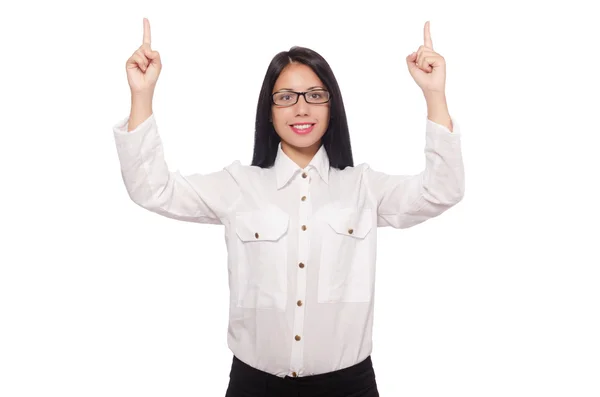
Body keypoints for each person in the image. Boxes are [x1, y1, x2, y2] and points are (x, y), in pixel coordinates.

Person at [112, 17, 464, 397]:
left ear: (332, 108)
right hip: (254, 385)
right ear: (269, 109)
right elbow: (153, 189)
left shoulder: (363, 187)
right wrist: (142, 96)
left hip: (348, 385)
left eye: (315, 95)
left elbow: (440, 191)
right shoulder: (238, 186)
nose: (301, 108)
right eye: (286, 97)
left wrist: (434, 94)